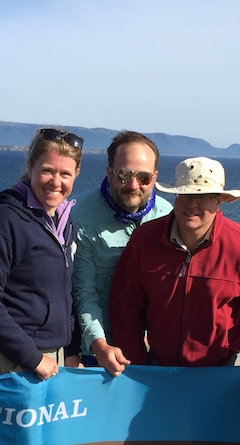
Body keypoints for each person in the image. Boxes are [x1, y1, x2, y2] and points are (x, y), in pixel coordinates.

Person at [109, 157, 240, 373]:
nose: (192, 204)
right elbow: (125, 304)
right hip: (159, 366)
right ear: (176, 195)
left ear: (219, 201)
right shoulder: (144, 241)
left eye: (203, 196)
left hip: (225, 367)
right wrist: (135, 362)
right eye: (186, 194)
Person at [0, 127, 83, 379]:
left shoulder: (66, 224)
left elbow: (65, 293)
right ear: (30, 168)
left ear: (76, 174)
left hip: (54, 358)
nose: (56, 182)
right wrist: (32, 357)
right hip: (13, 361)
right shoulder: (3, 221)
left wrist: (71, 349)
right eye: (47, 171)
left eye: (65, 173)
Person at [71, 131, 172, 375]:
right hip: (97, 350)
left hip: (153, 351)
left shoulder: (168, 216)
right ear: (109, 173)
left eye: (144, 177)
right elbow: (84, 291)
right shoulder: (79, 216)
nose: (133, 185)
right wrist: (99, 345)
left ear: (155, 178)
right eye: (125, 175)